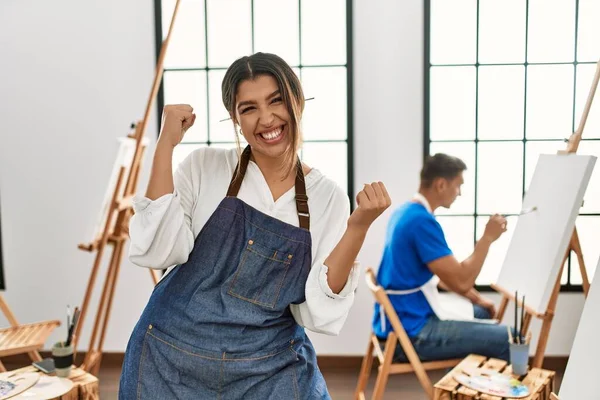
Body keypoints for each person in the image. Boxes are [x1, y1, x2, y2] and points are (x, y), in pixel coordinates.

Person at [118, 52, 391, 400]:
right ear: (235, 118)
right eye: (249, 108)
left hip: (268, 368)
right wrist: (165, 145)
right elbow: (158, 250)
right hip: (171, 359)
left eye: (276, 101)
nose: (266, 118)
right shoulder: (204, 166)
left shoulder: (327, 197)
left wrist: (358, 227)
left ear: (297, 101)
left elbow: (317, 312)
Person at [372, 153, 511, 363]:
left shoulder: (405, 212)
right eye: (458, 185)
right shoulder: (421, 222)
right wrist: (487, 238)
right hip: (411, 331)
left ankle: (453, 391)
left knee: (481, 312)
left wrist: (477, 299)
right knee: (511, 338)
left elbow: (444, 276)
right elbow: (462, 280)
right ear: (441, 185)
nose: (460, 193)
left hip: (400, 320)